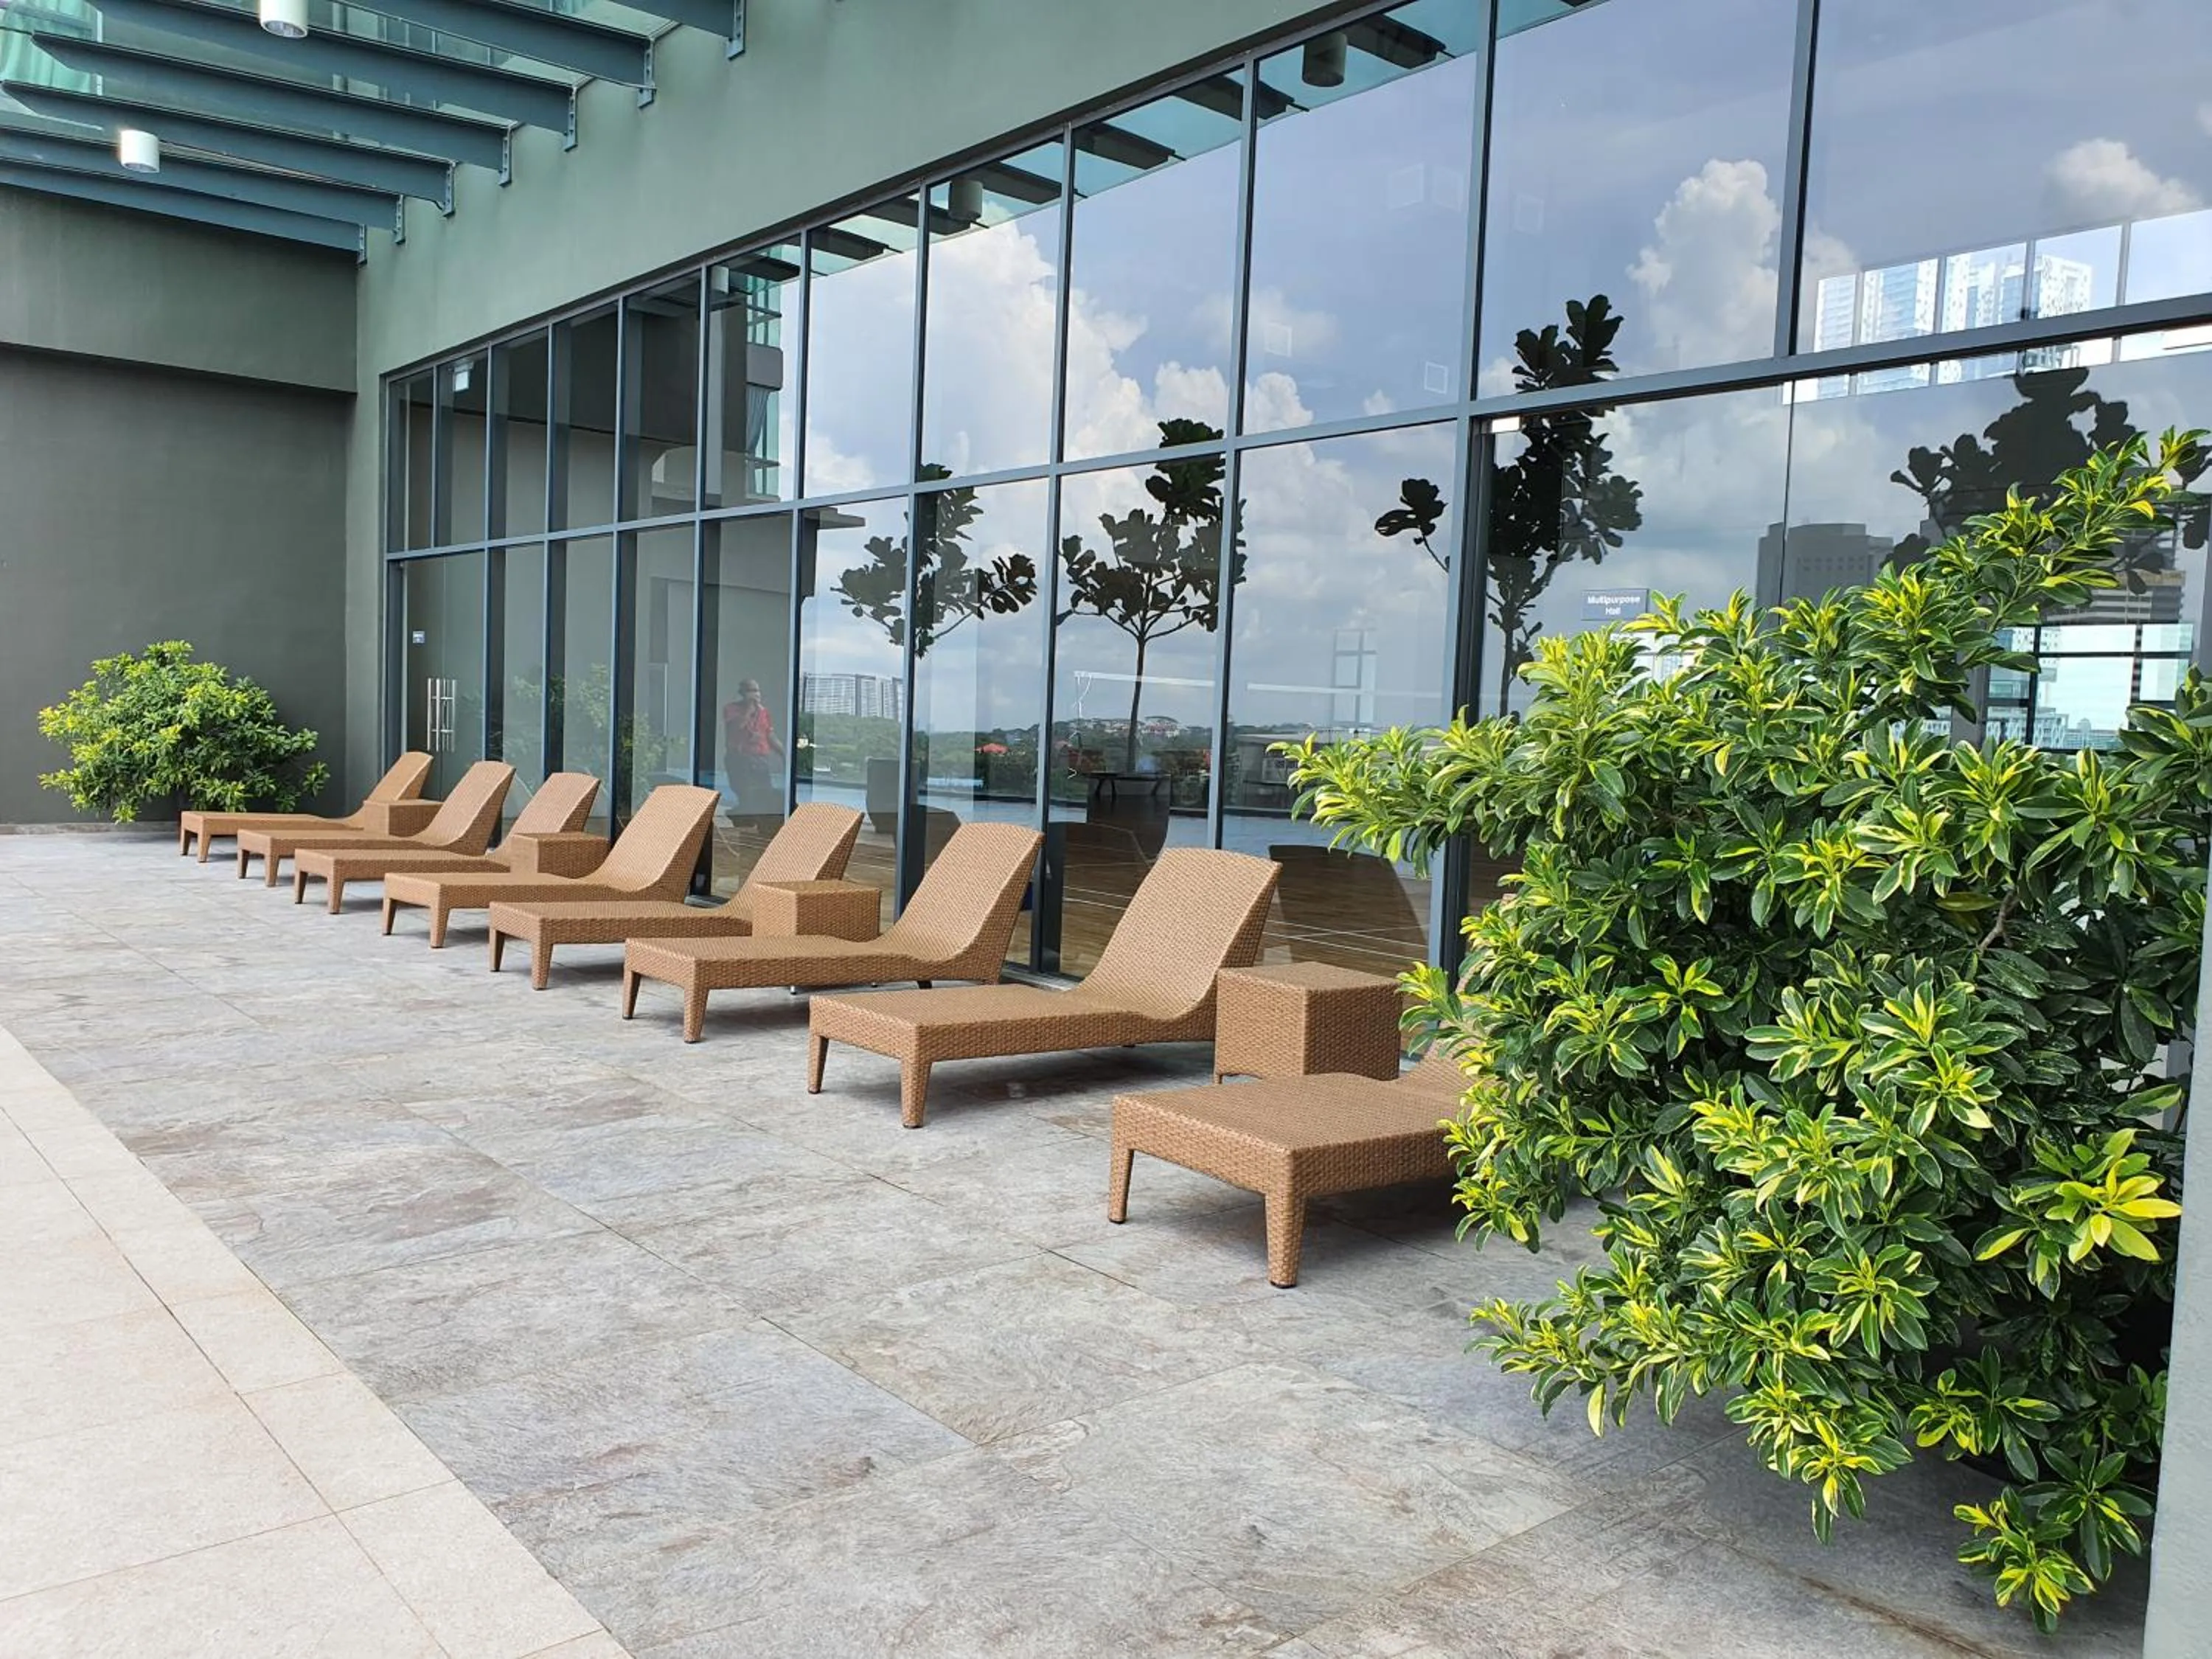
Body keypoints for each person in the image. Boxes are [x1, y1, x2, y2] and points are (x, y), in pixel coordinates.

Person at [720, 678, 784, 821]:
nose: (755, 694)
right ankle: (744, 819)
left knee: (764, 792)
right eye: (751, 691)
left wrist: (784, 754)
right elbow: (736, 728)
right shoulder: (731, 709)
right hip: (739, 758)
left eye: (757, 690)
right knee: (743, 790)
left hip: (760, 758)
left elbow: (770, 735)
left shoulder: (764, 712)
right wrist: (749, 709)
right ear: (742, 693)